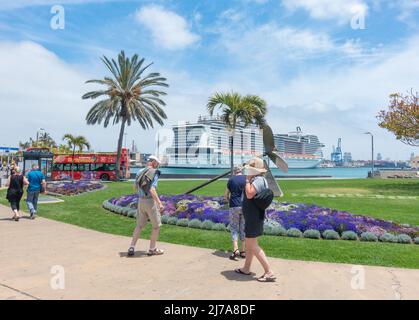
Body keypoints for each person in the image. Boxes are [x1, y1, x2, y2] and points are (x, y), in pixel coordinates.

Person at [235, 157, 276, 282]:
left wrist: (247, 180)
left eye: (249, 169)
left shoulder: (258, 180)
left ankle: (269, 272)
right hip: (253, 216)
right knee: (249, 244)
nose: (248, 171)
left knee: (252, 244)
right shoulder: (257, 179)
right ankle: (246, 268)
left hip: (254, 217)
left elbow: (249, 194)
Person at [127, 155, 165, 257]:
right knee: (156, 226)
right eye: (157, 163)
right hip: (149, 202)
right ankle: (152, 249)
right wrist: (159, 203)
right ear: (153, 162)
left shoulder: (140, 172)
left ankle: (132, 247)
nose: (158, 165)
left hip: (140, 201)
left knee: (139, 226)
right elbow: (152, 189)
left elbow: (134, 187)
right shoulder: (154, 172)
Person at [224, 166, 246, 261]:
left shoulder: (231, 180)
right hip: (245, 206)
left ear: (234, 172)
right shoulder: (246, 179)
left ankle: (235, 249)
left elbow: (226, 195)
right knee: (243, 228)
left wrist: (228, 201)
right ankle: (243, 251)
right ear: (241, 171)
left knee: (234, 227)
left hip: (234, 205)